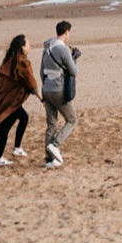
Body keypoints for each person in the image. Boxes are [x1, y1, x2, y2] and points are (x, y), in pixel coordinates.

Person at [0, 33, 43, 165]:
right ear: (22, 47)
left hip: (5, 99)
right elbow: (31, 82)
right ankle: (3, 156)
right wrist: (41, 98)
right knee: (10, 125)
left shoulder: (11, 59)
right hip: (11, 102)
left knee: (17, 121)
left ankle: (13, 150)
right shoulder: (21, 62)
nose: (30, 46)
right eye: (27, 44)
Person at [40, 19, 81, 167]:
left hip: (47, 89)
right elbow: (74, 71)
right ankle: (55, 146)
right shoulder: (63, 49)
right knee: (72, 119)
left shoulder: (47, 47)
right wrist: (74, 58)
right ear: (66, 32)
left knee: (51, 124)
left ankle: (49, 159)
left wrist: (45, 87)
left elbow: (41, 71)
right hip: (58, 89)